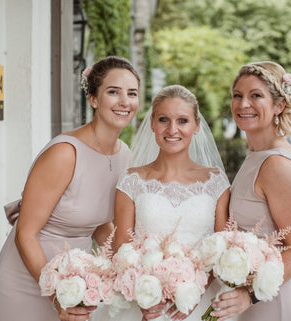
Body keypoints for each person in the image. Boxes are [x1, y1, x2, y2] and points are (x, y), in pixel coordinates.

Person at [0, 56, 140, 321]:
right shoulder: (65, 153)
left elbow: (98, 223)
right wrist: (56, 294)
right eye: (113, 92)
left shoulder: (124, 156)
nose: (124, 101)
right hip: (29, 275)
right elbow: (25, 234)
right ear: (93, 99)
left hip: (77, 278)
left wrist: (130, 268)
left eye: (132, 93)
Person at [93, 84, 231, 321]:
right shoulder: (131, 181)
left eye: (183, 121)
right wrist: (144, 295)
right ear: (153, 125)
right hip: (142, 304)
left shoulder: (216, 182)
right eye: (164, 119)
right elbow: (122, 248)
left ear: (196, 125)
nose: (173, 129)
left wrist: (193, 293)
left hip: (201, 302)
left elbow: (222, 247)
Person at [210, 62, 291, 321]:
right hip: (260, 300)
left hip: (277, 302)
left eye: (256, 95)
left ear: (279, 105)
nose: (243, 104)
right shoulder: (257, 154)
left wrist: (248, 294)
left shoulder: (277, 164)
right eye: (237, 95)